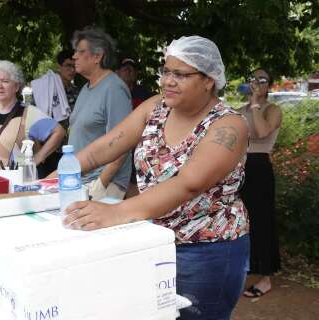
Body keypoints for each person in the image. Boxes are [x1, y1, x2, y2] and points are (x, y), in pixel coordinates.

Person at [61, 35, 250, 319]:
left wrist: (116, 212)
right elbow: (105, 146)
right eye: (165, 71)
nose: (167, 81)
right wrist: (51, 178)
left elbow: (189, 182)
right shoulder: (156, 108)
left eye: (180, 74)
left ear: (209, 79)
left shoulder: (228, 125)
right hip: (154, 241)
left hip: (206, 250)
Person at [67, 27, 132, 200]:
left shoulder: (114, 89)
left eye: (81, 52)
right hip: (79, 181)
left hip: (102, 185)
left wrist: (101, 184)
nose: (74, 57)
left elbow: (123, 141)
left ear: (98, 56)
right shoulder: (85, 88)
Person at [239, 68, 282, 298]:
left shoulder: (272, 109)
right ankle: (245, 268)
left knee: (262, 220)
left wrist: (255, 104)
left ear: (269, 86)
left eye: (262, 79)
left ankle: (265, 277)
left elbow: (263, 132)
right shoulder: (239, 111)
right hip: (239, 166)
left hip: (259, 166)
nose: (256, 82)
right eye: (253, 78)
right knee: (241, 220)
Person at [31, 49, 80, 177]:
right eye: (68, 65)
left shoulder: (77, 92)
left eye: (74, 66)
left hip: (68, 150)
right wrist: (39, 151)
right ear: (59, 66)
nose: (72, 70)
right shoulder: (44, 90)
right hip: (45, 149)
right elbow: (33, 120)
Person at [116, 56, 154, 198]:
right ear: (117, 72)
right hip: (115, 142)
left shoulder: (145, 94)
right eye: (125, 68)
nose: (129, 71)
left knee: (135, 183)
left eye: (132, 69)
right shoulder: (112, 93)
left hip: (137, 145)